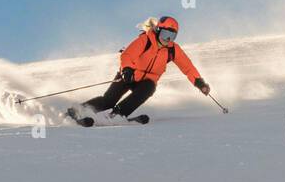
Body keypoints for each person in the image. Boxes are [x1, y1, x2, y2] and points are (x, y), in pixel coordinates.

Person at [77, 16, 210, 120]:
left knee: (149, 88)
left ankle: (117, 115)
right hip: (129, 75)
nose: (167, 39)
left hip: (146, 82)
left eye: (172, 36)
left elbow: (188, 67)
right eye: (165, 34)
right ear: (158, 30)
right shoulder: (145, 41)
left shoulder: (173, 50)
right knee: (108, 101)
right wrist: (127, 70)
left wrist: (199, 82)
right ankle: (76, 111)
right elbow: (127, 55)